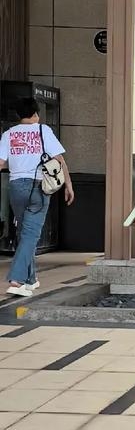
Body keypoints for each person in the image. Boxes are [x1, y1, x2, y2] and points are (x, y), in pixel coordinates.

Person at [0, 96, 74, 296]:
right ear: (35, 114)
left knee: (25, 232)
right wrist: (68, 185)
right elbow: (59, 160)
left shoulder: (8, 134)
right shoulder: (43, 131)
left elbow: (1, 163)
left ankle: (31, 279)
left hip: (16, 187)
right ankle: (17, 281)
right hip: (38, 187)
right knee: (31, 234)